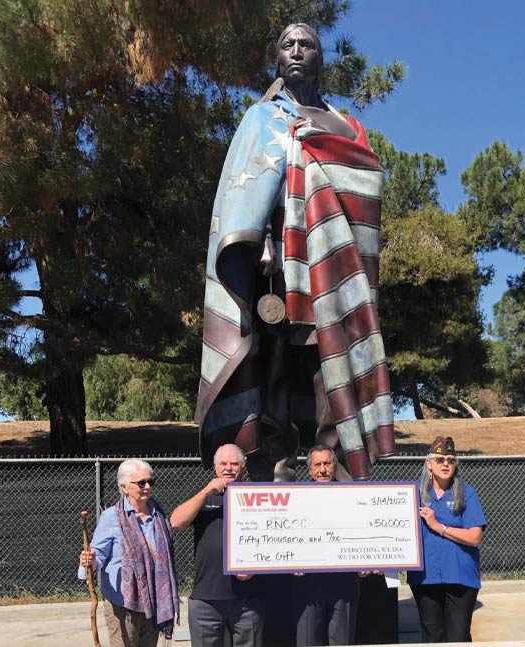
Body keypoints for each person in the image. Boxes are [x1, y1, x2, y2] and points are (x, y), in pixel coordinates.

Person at [195, 22, 395, 483]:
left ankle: (332, 461)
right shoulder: (262, 118)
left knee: (328, 361)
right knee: (276, 362)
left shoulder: (347, 126)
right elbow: (242, 194)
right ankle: (276, 462)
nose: (299, 51)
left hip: (335, 264)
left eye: (308, 44)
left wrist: (320, 152)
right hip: (279, 267)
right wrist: (260, 240)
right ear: (277, 59)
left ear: (321, 58)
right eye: (289, 45)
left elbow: (367, 178)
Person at [78, 459, 179, 647]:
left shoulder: (159, 515)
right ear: (124, 487)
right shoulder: (112, 517)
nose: (147, 486)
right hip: (123, 604)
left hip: (155, 601)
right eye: (141, 483)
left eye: (150, 482)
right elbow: (98, 555)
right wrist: (89, 561)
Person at [171, 444, 264, 647]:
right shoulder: (203, 495)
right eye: (223, 463)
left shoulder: (259, 495)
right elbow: (176, 522)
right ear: (215, 467)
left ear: (244, 467)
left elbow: (273, 539)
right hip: (206, 599)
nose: (228, 468)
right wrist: (206, 491)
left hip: (248, 600)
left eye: (234, 464)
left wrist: (257, 566)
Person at [408, 437, 488, 643]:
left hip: (460, 577)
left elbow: (474, 537)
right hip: (425, 578)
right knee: (432, 637)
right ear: (429, 463)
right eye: (440, 459)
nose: (446, 464)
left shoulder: (467, 493)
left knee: (458, 637)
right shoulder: (413, 493)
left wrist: (438, 526)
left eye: (451, 460)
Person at [289, 445, 367, 646]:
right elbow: (286, 537)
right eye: (317, 465)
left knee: (342, 641)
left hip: (344, 584)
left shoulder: (354, 498)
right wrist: (290, 562)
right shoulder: (294, 500)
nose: (322, 469)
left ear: (334, 467)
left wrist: (367, 561)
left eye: (327, 463)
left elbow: (363, 532)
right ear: (309, 471)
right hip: (307, 587)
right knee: (307, 641)